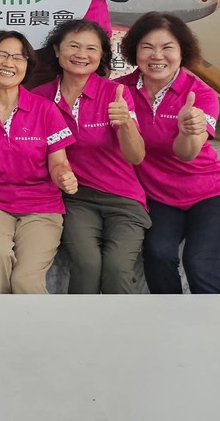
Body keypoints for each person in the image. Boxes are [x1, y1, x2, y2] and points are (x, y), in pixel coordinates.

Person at [117, 12, 220, 294]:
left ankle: (216, 321)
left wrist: (187, 131)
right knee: (158, 254)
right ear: (134, 51)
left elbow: (187, 153)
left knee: (199, 264)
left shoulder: (200, 94)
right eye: (147, 47)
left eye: (167, 47)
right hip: (158, 196)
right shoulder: (119, 91)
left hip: (210, 194)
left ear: (183, 52)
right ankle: (167, 318)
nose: (157, 56)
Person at [0, 31, 78, 294]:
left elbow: (59, 164)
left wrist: (64, 176)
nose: (8, 63)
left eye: (18, 57)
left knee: (25, 279)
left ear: (27, 65)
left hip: (42, 205)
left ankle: (30, 322)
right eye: (1, 54)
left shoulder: (46, 109)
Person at [31, 19, 148, 294]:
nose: (81, 54)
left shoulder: (116, 94)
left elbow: (136, 156)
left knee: (117, 268)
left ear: (102, 55)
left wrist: (126, 123)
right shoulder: (39, 98)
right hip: (75, 198)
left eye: (91, 48)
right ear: (57, 50)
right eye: (73, 46)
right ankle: (81, 322)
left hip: (123, 198)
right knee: (87, 264)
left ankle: (119, 323)